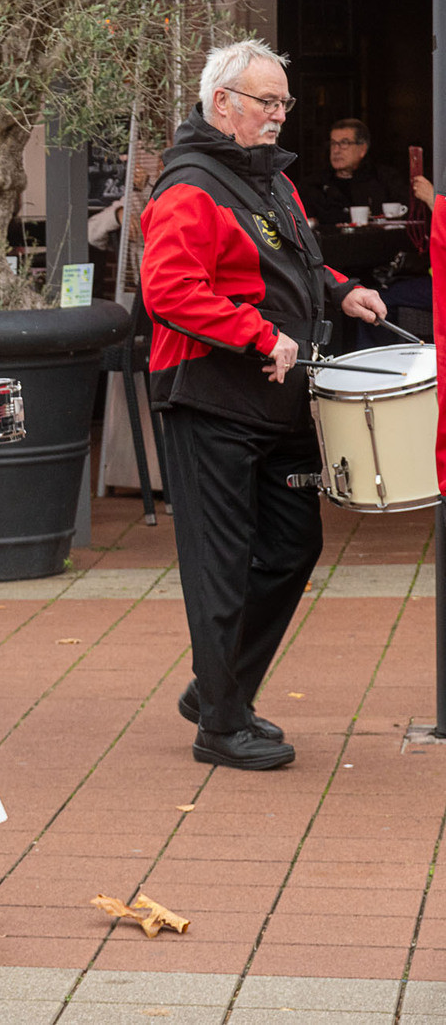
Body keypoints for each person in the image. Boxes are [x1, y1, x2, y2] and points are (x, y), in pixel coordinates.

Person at [140, 40, 386, 771]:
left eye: (282, 101)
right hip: (210, 396)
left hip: (277, 397)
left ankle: (218, 687)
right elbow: (169, 290)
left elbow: (294, 260)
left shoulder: (268, 177)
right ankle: (220, 725)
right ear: (222, 104)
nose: (280, 114)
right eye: (266, 102)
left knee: (291, 546)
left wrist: (341, 288)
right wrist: (256, 334)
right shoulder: (189, 185)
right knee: (219, 562)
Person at [301, 118, 409, 226]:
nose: (336, 150)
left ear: (362, 149)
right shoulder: (314, 184)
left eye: (344, 143)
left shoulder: (384, 179)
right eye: (333, 143)